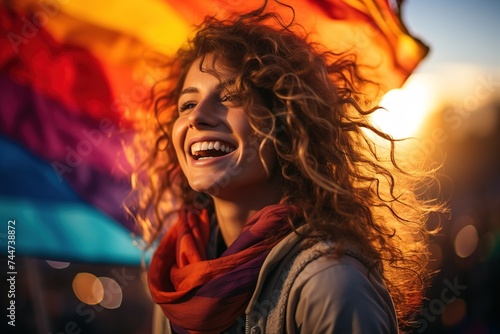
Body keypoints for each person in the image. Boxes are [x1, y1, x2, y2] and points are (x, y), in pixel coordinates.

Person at [127, 2, 442, 333]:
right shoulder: (176, 283)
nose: (196, 116)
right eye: (187, 103)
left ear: (287, 124)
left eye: (232, 96)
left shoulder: (331, 285)